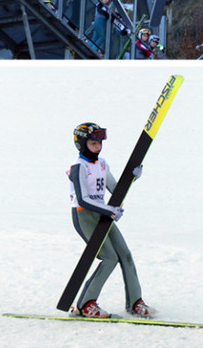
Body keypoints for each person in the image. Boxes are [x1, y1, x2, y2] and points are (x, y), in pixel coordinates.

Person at [67, 122, 153, 318]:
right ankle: (86, 304)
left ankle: (135, 302)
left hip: (103, 214)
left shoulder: (102, 164)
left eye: (99, 143)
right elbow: (83, 199)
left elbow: (114, 188)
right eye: (92, 143)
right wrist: (110, 210)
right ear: (81, 144)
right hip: (84, 215)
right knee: (109, 257)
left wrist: (132, 178)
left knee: (125, 254)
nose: (97, 147)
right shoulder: (78, 167)